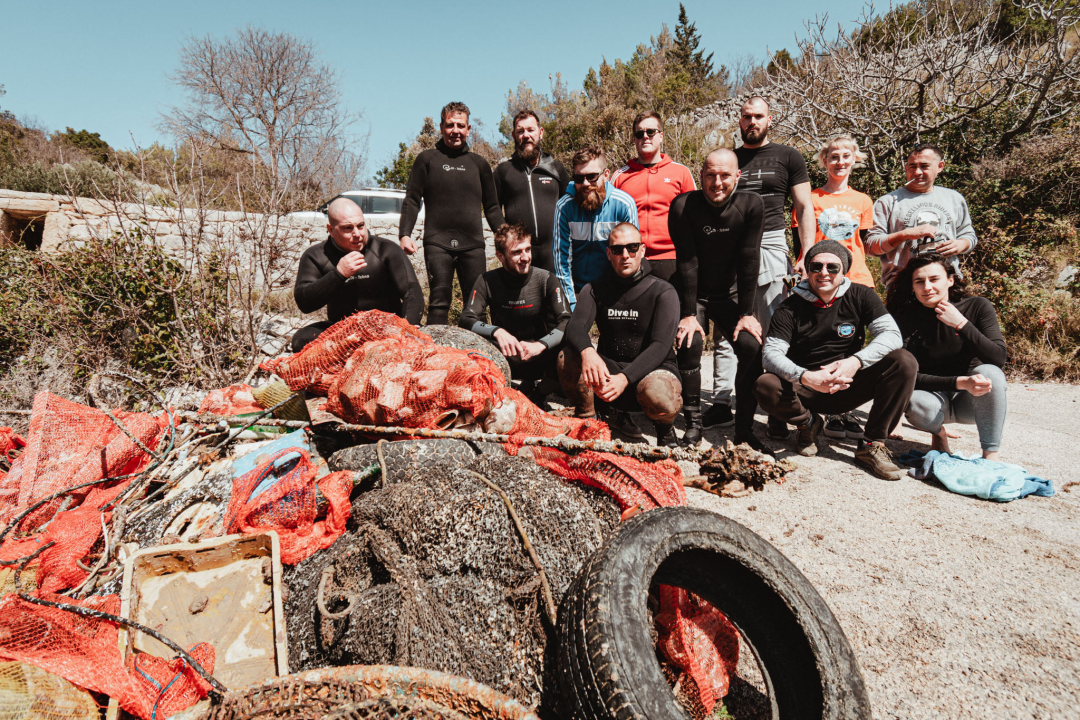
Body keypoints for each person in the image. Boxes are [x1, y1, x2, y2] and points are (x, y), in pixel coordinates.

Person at [754, 241, 918, 480]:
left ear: (844, 271)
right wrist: (805, 376)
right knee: (765, 383)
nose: (824, 273)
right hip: (806, 390)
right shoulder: (789, 307)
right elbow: (771, 355)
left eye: (833, 267)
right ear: (807, 270)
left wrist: (855, 362)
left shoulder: (862, 295)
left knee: (903, 361)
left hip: (847, 383)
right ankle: (807, 424)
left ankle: (872, 445)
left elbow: (892, 335)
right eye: (816, 266)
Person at [705, 96, 816, 434]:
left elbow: (804, 206)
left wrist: (806, 252)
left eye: (758, 116)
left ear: (770, 119)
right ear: (738, 120)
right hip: (730, 243)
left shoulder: (788, 156)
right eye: (745, 116)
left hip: (769, 243)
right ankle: (722, 402)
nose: (751, 121)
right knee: (727, 329)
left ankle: (775, 407)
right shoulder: (729, 159)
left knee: (771, 330)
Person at [669, 149, 770, 452]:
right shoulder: (683, 205)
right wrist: (688, 313)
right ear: (700, 176)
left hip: (731, 294)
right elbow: (686, 261)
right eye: (710, 175)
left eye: (725, 175)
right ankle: (693, 424)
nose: (717, 182)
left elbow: (749, 260)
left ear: (737, 176)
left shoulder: (751, 205)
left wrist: (748, 313)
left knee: (752, 347)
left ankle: (743, 430)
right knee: (690, 343)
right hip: (694, 292)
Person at [558, 223, 682, 446]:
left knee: (659, 395)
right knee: (567, 356)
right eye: (617, 249)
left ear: (642, 251)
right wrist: (587, 352)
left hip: (651, 372)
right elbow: (574, 327)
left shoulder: (663, 290)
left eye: (632, 248)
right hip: (610, 373)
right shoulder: (595, 289)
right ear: (608, 253)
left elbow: (661, 345)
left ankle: (664, 428)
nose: (625, 255)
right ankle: (590, 420)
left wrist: (625, 378)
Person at [791, 134, 877, 441]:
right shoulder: (812, 198)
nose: (840, 161)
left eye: (845, 156)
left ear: (855, 159)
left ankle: (843, 409)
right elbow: (801, 238)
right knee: (820, 337)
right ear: (824, 160)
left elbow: (865, 243)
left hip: (856, 278)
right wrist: (801, 261)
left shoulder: (863, 201)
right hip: (819, 278)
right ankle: (814, 401)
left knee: (852, 341)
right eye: (833, 156)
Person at [890, 253, 1008, 461]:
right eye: (919, 281)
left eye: (934, 279)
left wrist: (961, 324)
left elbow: (998, 358)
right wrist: (960, 382)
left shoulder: (977, 307)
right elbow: (906, 376)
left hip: (971, 401)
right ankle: (938, 433)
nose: (927, 287)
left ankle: (990, 456)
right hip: (933, 401)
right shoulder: (905, 317)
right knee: (915, 401)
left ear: (950, 280)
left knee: (990, 373)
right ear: (912, 287)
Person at [399, 101, 505, 325]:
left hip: (473, 244)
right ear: (441, 127)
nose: (455, 130)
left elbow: (493, 207)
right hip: (437, 242)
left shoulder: (479, 164)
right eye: (450, 125)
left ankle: (479, 358)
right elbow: (412, 199)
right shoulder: (427, 160)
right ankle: (436, 358)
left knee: (477, 306)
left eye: (460, 125)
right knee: (439, 302)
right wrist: (404, 234)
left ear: (468, 129)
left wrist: (505, 235)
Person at [291, 197, 423, 351]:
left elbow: (412, 291)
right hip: (343, 332)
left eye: (361, 226)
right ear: (331, 230)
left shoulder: (386, 249)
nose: (357, 234)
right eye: (348, 228)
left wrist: (406, 326)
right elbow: (304, 303)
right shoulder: (316, 256)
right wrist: (338, 274)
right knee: (301, 340)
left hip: (388, 329)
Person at [459, 223, 571, 402]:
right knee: (465, 345)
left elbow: (566, 321)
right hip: (504, 355)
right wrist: (497, 331)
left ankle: (539, 393)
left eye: (528, 249)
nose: (525, 257)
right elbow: (466, 318)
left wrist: (541, 344)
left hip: (538, 354)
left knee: (571, 347)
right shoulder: (487, 280)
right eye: (517, 252)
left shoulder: (546, 279)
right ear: (500, 256)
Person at [867, 144, 977, 293]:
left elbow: (968, 235)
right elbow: (870, 247)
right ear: (906, 169)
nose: (917, 172)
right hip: (902, 286)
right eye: (912, 167)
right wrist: (905, 234)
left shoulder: (954, 198)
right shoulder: (887, 202)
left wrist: (961, 244)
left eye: (924, 166)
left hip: (948, 283)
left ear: (940, 166)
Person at [610, 111, 696, 281]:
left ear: (661, 136)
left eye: (651, 132)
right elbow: (608, 221)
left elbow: (695, 217)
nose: (645, 137)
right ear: (634, 139)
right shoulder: (619, 176)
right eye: (639, 133)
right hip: (632, 258)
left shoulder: (681, 172)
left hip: (671, 258)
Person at [552, 146, 639, 310]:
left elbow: (632, 257)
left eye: (592, 177)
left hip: (615, 289)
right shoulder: (564, 207)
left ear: (606, 175)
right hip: (577, 290)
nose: (585, 184)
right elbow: (561, 261)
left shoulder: (624, 204)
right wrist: (571, 303)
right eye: (579, 178)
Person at [493, 110, 570, 272]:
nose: (526, 135)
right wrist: (506, 239)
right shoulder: (503, 171)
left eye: (530, 130)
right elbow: (493, 208)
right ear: (514, 136)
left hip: (555, 252)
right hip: (519, 255)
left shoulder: (556, 169)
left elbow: (570, 206)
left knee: (555, 297)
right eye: (520, 131)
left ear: (540, 132)